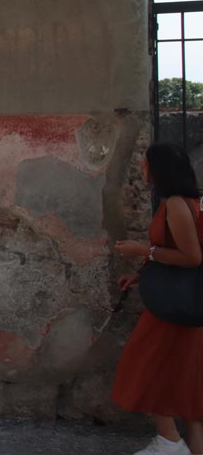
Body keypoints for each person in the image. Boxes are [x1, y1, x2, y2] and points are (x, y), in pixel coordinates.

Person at [113, 142, 203, 455]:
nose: (142, 168)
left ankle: (169, 442)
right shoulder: (184, 201)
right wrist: (142, 275)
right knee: (187, 378)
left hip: (173, 308)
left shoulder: (177, 203)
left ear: (158, 168)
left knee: (143, 365)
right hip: (184, 304)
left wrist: (141, 250)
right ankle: (190, 448)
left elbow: (191, 257)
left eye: (145, 163)